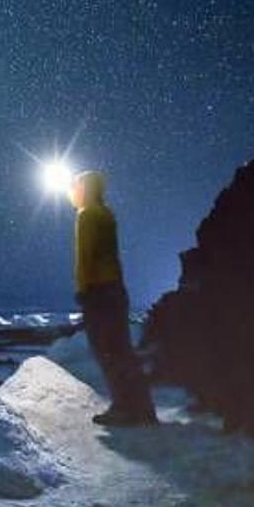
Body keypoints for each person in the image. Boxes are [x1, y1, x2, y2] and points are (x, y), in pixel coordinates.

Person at [70, 170, 158, 426]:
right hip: (115, 290)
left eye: (77, 185)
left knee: (107, 351)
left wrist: (83, 289)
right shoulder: (106, 214)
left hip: (99, 291)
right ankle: (143, 410)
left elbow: (86, 257)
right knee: (122, 351)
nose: (73, 190)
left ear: (85, 188)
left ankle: (124, 409)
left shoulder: (86, 215)